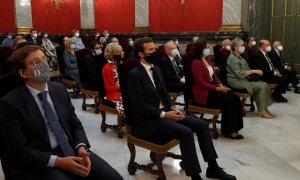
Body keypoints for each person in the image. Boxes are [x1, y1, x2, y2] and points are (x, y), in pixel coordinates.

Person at [0, 45, 123, 180]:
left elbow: (75, 124)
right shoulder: (10, 103)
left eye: (44, 59)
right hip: (41, 160)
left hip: (71, 148)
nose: (43, 64)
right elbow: (20, 150)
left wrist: (81, 146)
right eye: (36, 62)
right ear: (23, 73)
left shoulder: (59, 90)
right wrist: (58, 161)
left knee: (114, 177)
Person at [127, 37, 236, 180]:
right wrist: (165, 114)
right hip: (149, 120)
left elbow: (164, 95)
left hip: (166, 112)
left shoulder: (157, 70)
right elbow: (139, 105)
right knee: (186, 133)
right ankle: (195, 176)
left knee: (202, 125)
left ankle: (213, 168)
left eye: (155, 48)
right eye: (151, 50)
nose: (155, 52)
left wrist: (173, 108)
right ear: (141, 54)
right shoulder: (134, 75)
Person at [191, 39, 244, 139]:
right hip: (204, 92)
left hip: (213, 87)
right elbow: (200, 83)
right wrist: (216, 88)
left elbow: (214, 76)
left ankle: (236, 129)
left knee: (235, 97)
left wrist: (220, 85)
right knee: (229, 100)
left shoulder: (207, 60)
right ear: (201, 49)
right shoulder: (196, 63)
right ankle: (229, 130)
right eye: (206, 47)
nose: (208, 49)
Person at [227, 38, 275, 119]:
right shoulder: (232, 58)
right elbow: (239, 74)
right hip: (236, 81)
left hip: (243, 79)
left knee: (264, 84)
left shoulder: (240, 57)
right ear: (235, 47)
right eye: (242, 45)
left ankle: (265, 108)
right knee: (262, 86)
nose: (244, 47)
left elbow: (247, 69)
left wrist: (255, 71)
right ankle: (262, 110)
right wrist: (254, 71)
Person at [102, 43, 124, 114]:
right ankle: (124, 123)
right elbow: (107, 88)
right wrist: (119, 87)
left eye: (120, 52)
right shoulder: (106, 68)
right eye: (116, 53)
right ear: (111, 54)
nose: (119, 54)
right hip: (114, 94)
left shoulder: (121, 64)